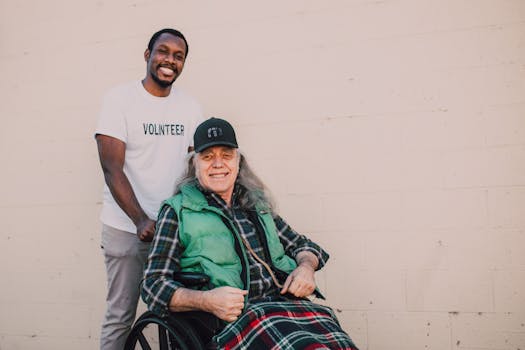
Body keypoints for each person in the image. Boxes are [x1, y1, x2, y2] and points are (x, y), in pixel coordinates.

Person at [142, 118, 358, 349]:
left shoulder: (256, 205)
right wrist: (206, 301)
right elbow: (153, 285)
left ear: (238, 162)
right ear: (194, 165)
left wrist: (306, 268)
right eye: (207, 157)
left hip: (286, 306)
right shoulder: (178, 211)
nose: (218, 164)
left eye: (226, 155)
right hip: (235, 320)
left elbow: (305, 246)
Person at [95, 28, 203, 349]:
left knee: (176, 315)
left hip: (174, 231)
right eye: (163, 51)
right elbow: (111, 167)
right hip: (127, 227)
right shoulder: (119, 99)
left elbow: (194, 168)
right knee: (121, 315)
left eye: (178, 55)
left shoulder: (191, 107)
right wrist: (140, 219)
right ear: (148, 55)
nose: (170, 60)